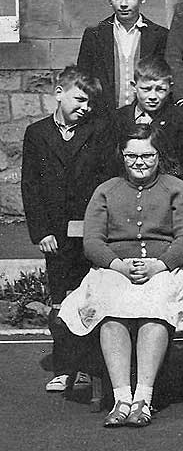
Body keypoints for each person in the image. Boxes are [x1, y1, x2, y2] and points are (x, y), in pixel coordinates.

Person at [58, 123, 183, 428]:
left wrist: (160, 264)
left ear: (159, 156)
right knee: (111, 310)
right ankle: (121, 398)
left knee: (155, 307)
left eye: (147, 155)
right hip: (115, 268)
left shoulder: (177, 188)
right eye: (132, 155)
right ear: (121, 156)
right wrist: (118, 265)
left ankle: (142, 400)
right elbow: (93, 241)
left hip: (164, 268)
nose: (140, 162)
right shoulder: (106, 191)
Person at [21, 66, 111, 402]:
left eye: (90, 102)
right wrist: (41, 231)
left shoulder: (98, 131)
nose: (85, 107)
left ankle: (88, 366)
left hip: (88, 232)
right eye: (79, 99)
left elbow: (104, 181)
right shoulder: (37, 133)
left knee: (88, 299)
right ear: (59, 93)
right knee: (60, 301)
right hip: (54, 235)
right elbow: (30, 186)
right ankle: (64, 366)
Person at [77, 0, 168, 114]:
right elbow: (83, 80)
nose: (124, 4)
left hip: (147, 119)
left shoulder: (160, 35)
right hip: (103, 121)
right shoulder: (94, 35)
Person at [110, 56, 183, 180]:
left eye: (160, 89)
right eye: (146, 89)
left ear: (171, 88)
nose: (153, 96)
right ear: (134, 86)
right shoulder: (118, 118)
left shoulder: (181, 120)